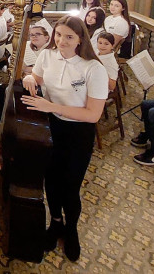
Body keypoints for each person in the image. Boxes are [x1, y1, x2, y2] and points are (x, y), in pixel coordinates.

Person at [21, 16, 109, 262]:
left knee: (70, 187)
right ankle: (56, 223)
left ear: (81, 39)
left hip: (77, 133)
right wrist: (30, 78)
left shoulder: (93, 68)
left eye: (69, 36)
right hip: (51, 128)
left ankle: (71, 230)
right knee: (51, 180)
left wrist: (51, 107)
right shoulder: (47, 56)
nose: (61, 41)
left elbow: (93, 115)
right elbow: (36, 78)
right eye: (58, 34)